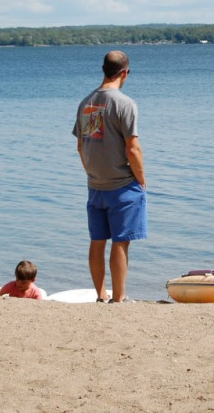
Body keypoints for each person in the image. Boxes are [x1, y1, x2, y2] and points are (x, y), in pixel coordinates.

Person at [73, 50, 147, 303]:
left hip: (95, 185)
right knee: (121, 242)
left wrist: (92, 172)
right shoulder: (125, 103)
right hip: (122, 185)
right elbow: (132, 148)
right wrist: (141, 178)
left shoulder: (87, 103)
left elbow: (82, 147)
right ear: (125, 72)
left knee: (97, 241)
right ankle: (119, 297)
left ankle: (101, 295)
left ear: (103, 69)